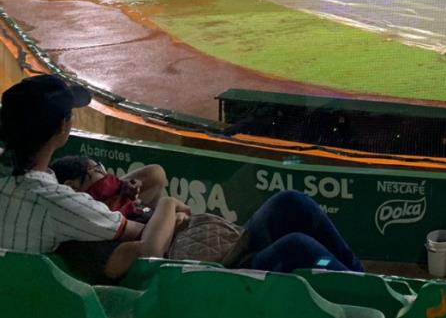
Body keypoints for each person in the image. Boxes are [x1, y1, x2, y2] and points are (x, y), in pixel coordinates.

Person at [0, 74, 364, 283]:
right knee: (296, 246)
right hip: (194, 276)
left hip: (197, 253)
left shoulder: (18, 178)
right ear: (63, 128)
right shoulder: (61, 203)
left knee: (291, 204)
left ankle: (366, 285)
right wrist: (171, 208)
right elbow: (146, 241)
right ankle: (369, 292)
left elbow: (132, 200)